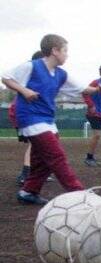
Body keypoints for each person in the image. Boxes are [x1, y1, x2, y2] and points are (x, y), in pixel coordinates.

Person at [1, 34, 101, 204]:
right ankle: (80, 195)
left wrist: (97, 90)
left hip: (47, 120)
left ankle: (28, 192)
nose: (67, 54)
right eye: (65, 50)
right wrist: (24, 90)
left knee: (43, 158)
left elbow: (82, 88)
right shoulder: (32, 67)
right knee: (56, 156)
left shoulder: (61, 74)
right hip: (30, 118)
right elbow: (6, 77)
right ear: (54, 51)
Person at [10, 50, 48, 185]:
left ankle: (34, 172)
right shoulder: (32, 73)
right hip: (23, 112)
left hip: (27, 112)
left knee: (39, 144)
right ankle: (25, 174)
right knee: (35, 143)